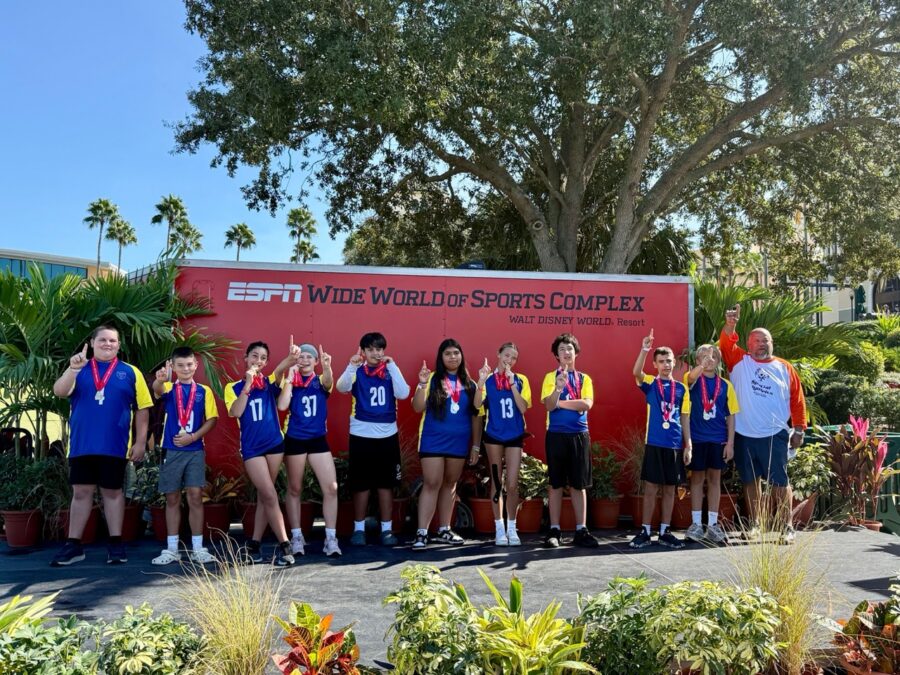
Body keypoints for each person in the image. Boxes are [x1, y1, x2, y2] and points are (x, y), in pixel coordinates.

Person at [50, 325, 152, 566]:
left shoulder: (130, 372)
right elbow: (59, 391)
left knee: (113, 493)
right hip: (82, 445)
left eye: (113, 341)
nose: (108, 344)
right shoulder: (79, 368)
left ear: (119, 345)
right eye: (103, 340)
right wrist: (73, 370)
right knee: (81, 493)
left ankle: (115, 543)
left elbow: (143, 409)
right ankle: (74, 544)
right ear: (92, 343)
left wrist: (139, 443)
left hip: (114, 446)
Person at [720, 304, 806, 544]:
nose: (762, 344)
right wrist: (730, 324)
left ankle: (787, 527)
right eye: (757, 340)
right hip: (744, 434)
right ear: (749, 344)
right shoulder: (738, 361)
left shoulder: (784, 367)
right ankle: (756, 525)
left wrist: (799, 429)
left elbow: (797, 400)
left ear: (772, 343)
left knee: (780, 482)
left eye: (765, 340)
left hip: (775, 433)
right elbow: (726, 344)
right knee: (750, 481)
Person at [224, 339, 297, 566]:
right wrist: (247, 384)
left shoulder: (268, 382)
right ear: (245, 358)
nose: (258, 361)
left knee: (266, 497)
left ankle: (254, 545)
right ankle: (286, 545)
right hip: (252, 448)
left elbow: (278, 371)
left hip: (274, 444)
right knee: (268, 494)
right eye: (254, 356)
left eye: (263, 358)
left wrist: (290, 359)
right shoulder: (233, 387)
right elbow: (236, 411)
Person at [335, 332, 410, 546]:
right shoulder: (357, 370)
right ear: (363, 351)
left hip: (387, 433)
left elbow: (403, 393)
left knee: (386, 484)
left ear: (384, 351)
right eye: (370, 349)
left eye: (379, 349)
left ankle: (386, 529)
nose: (375, 353)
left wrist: (393, 366)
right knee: (361, 484)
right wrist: (351, 366)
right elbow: (341, 387)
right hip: (361, 433)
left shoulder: (389, 370)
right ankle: (358, 529)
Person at [150, 347, 219, 565]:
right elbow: (157, 390)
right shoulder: (170, 388)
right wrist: (160, 380)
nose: (186, 369)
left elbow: (212, 419)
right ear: (173, 366)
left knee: (195, 497)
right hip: (171, 451)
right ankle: (171, 549)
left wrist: (193, 436)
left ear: (195, 365)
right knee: (172, 498)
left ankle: (198, 548)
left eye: (189, 364)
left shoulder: (204, 391)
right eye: (180, 365)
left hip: (195, 450)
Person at [411, 338, 482, 550]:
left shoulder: (471, 384)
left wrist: (476, 445)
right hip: (433, 439)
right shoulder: (431, 378)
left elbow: (476, 416)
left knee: (450, 484)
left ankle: (444, 529)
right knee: (432, 482)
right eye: (448, 353)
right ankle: (422, 532)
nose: (453, 357)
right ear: (441, 358)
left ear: (462, 356)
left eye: (456, 353)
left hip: (459, 442)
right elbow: (417, 407)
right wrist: (422, 384)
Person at [277, 343, 342, 557]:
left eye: (309, 357)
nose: (304, 360)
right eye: (301, 356)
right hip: (295, 438)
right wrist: (289, 378)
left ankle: (330, 538)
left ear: (315, 361)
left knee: (331, 487)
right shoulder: (292, 381)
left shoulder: (321, 380)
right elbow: (282, 406)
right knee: (295, 488)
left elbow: (328, 381)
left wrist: (327, 367)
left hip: (317, 439)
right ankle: (296, 536)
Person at [629, 330, 692, 550]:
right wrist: (645, 349)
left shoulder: (682, 389)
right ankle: (646, 530)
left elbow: (684, 417)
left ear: (674, 363)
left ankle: (665, 530)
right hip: (654, 443)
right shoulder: (650, 384)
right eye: (662, 361)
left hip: (674, 444)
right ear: (655, 364)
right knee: (651, 489)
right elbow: (636, 372)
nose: (666, 365)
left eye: (669, 361)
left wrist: (688, 446)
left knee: (669, 490)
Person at [540, 333, 600, 548]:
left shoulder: (584, 378)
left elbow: (586, 405)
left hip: (579, 434)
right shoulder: (550, 377)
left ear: (576, 352)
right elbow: (548, 405)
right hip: (556, 434)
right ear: (556, 355)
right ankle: (554, 529)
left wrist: (561, 403)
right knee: (555, 483)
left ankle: (581, 530)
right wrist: (557, 389)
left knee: (579, 484)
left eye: (570, 349)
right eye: (562, 349)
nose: (566, 352)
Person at [473, 343, 531, 546]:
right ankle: (499, 529)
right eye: (507, 355)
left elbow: (523, 408)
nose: (510, 360)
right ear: (498, 354)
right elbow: (476, 404)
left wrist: (513, 384)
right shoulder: (488, 380)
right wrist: (480, 381)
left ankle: (512, 527)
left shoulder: (521, 379)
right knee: (497, 483)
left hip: (514, 436)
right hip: (494, 436)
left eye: (514, 358)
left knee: (513, 484)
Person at [682, 344, 739, 545]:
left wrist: (730, 443)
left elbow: (731, 415)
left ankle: (713, 525)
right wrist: (688, 443)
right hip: (697, 438)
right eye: (704, 357)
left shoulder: (725, 385)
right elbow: (689, 379)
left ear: (719, 362)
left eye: (714, 356)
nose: (709, 359)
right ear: (697, 361)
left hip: (718, 439)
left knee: (715, 479)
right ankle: (696, 524)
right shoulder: (693, 380)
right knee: (696, 479)